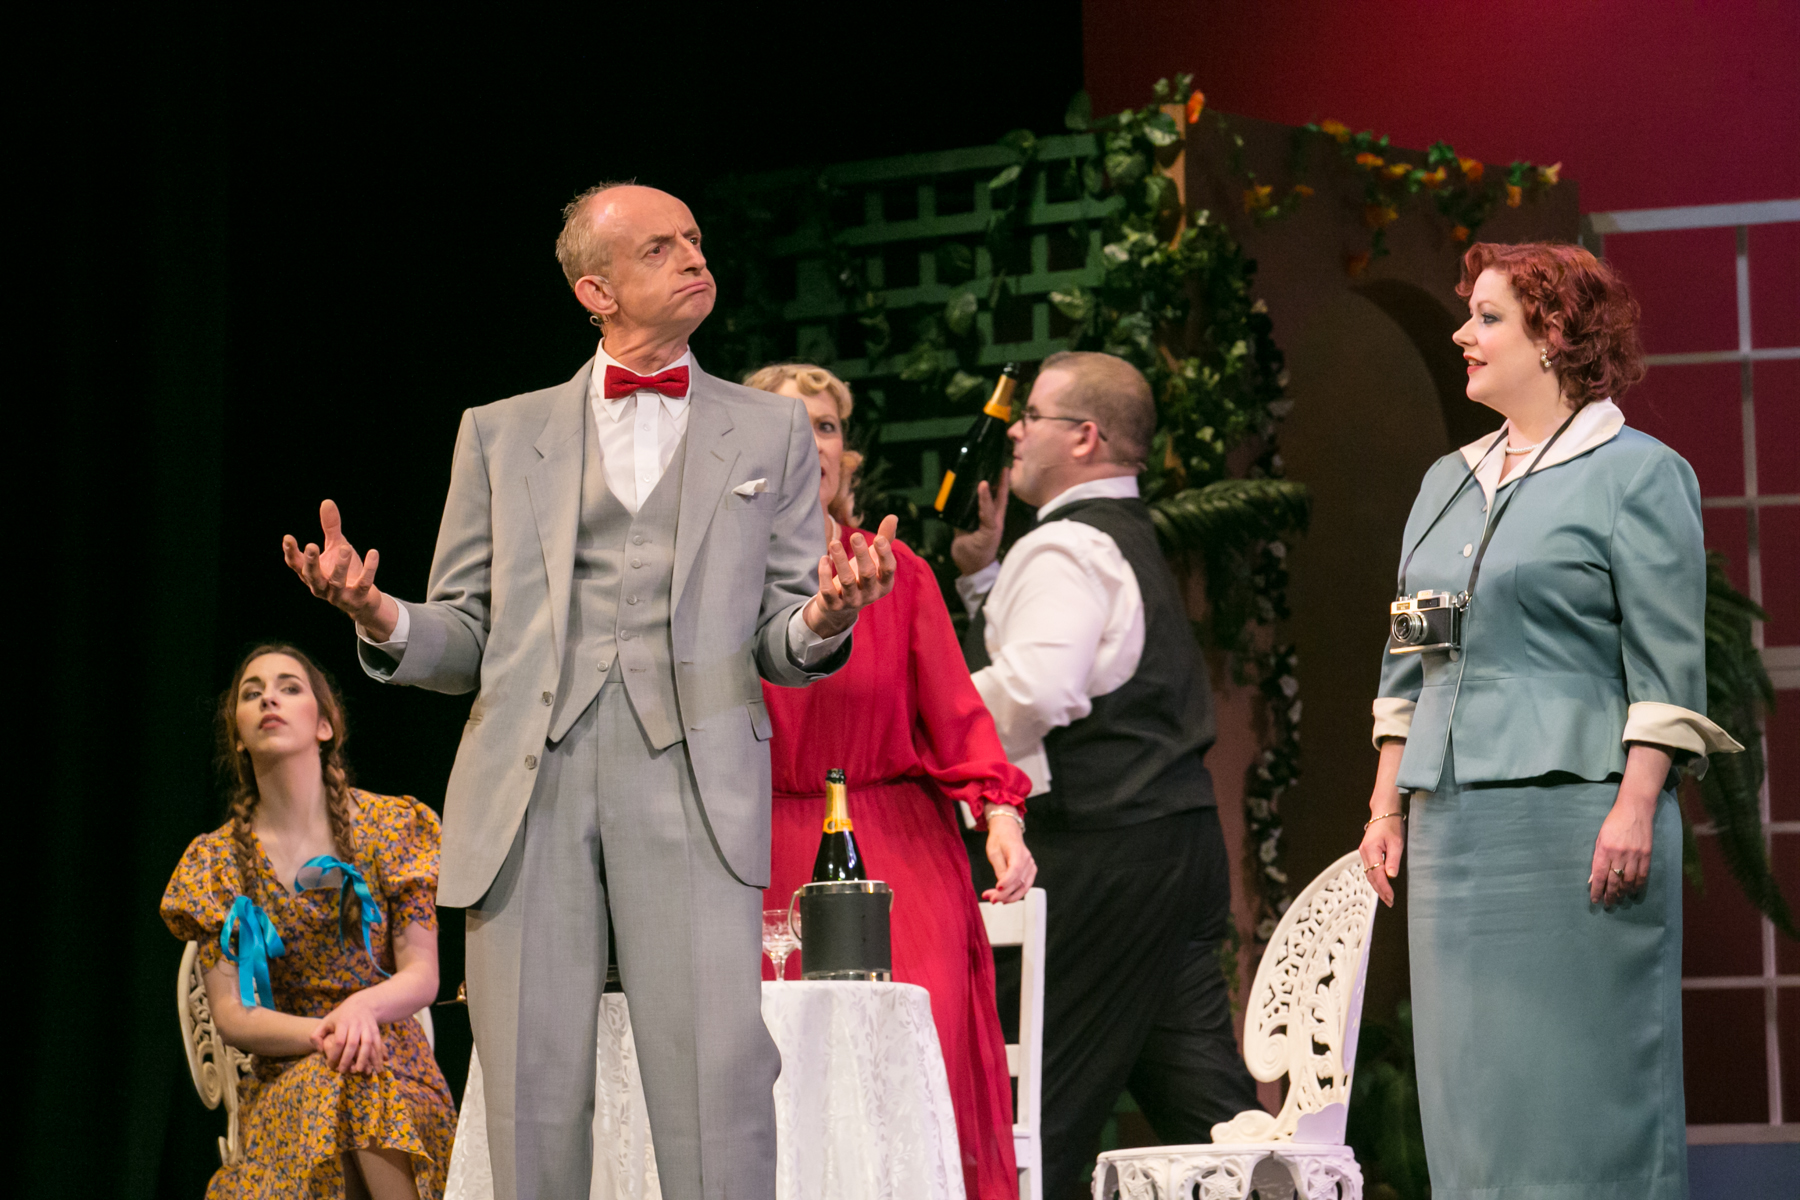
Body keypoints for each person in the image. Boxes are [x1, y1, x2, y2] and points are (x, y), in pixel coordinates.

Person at [280, 183, 899, 1200]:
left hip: (693, 781)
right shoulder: (498, 432)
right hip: (531, 785)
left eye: (695, 239)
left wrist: (827, 615)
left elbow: (781, 635)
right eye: (660, 248)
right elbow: (467, 637)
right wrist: (378, 614)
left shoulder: (773, 433)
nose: (693, 257)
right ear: (595, 291)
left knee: (717, 1088)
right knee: (529, 1095)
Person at [1358, 242, 1740, 1199]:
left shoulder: (1637, 473)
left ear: (1556, 335)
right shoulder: (1444, 483)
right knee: (1471, 1091)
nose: (1464, 333)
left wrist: (1636, 804)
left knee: (1582, 1085)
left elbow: (1666, 665)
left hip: (1578, 819)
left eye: (1487, 317)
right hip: (1452, 827)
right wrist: (1386, 805)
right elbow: (1413, 653)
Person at [954, 351, 1259, 1200]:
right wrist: (981, 578)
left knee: (1034, 1111)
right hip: (1178, 846)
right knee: (1207, 1107)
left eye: (1031, 417)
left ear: (1084, 437)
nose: (1013, 434)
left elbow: (1037, 688)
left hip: (1104, 851)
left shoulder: (1065, 544)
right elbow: (1080, 657)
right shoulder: (1124, 535)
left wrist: (933, 712)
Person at [744, 362, 1034, 1200]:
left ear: (847, 456)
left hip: (894, 858)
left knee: (909, 1057)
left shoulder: (896, 570)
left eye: (827, 426)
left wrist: (1001, 817)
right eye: (788, 424)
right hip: (757, 855)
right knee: (777, 1093)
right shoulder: (711, 580)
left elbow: (959, 718)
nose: (812, 442)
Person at [161, 644, 455, 1200]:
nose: (268, 698)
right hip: (288, 1078)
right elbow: (232, 1014)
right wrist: (327, 1037)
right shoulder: (216, 862)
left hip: (395, 1064)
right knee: (341, 1079)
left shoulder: (390, 827)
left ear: (325, 725)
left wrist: (360, 1011)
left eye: (289, 687)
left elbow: (422, 975)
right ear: (238, 735)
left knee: (361, 1081)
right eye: (252, 693)